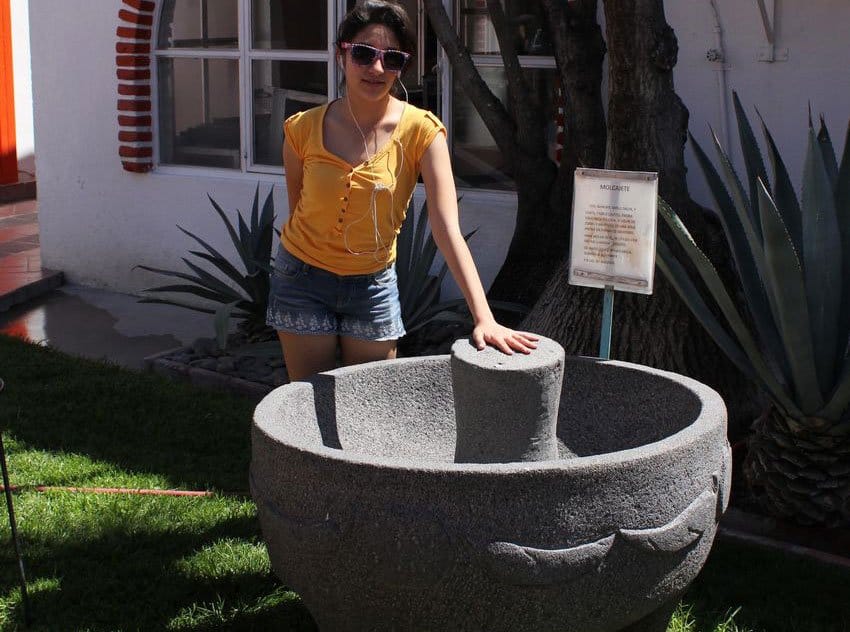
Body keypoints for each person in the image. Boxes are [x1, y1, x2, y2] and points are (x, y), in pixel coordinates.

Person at [267, 0, 538, 381]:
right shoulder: (301, 129)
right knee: (306, 402)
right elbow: (299, 209)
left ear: (402, 67)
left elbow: (447, 230)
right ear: (341, 54)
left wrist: (484, 317)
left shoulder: (423, 132)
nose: (376, 68)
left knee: (372, 405)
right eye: (363, 53)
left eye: (391, 59)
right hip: (302, 280)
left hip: (372, 286)